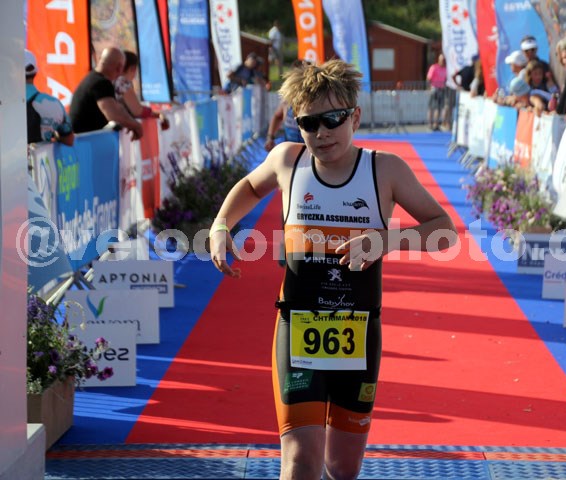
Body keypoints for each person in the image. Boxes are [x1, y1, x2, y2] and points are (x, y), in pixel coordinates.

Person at [209, 59, 457, 480]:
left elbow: (444, 231)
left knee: (342, 467)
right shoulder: (288, 161)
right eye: (309, 123)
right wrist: (220, 225)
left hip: (357, 332)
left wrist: (384, 240)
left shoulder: (385, 169)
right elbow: (250, 186)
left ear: (354, 117)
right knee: (300, 461)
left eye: (333, 119)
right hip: (298, 327)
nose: (321, 133)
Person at [69, 47, 143, 139]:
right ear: (119, 68)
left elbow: (117, 108)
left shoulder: (92, 78)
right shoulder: (101, 83)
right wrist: (136, 126)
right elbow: (114, 114)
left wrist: (130, 122)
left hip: (83, 139)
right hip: (86, 141)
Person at [24, 49, 74, 146]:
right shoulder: (53, 103)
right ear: (35, 72)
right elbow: (69, 140)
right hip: (43, 155)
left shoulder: (6, 103)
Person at [114, 51, 169, 130]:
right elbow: (137, 111)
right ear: (132, 68)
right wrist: (159, 115)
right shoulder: (123, 82)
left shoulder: (113, 79)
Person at [426, 53, 449, 131]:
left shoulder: (445, 69)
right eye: (441, 60)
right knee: (431, 107)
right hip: (434, 89)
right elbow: (429, 78)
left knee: (438, 108)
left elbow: (446, 79)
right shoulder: (434, 67)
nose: (443, 61)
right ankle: (430, 124)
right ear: (438, 60)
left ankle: (436, 124)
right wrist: (429, 88)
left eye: (444, 60)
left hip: (441, 89)